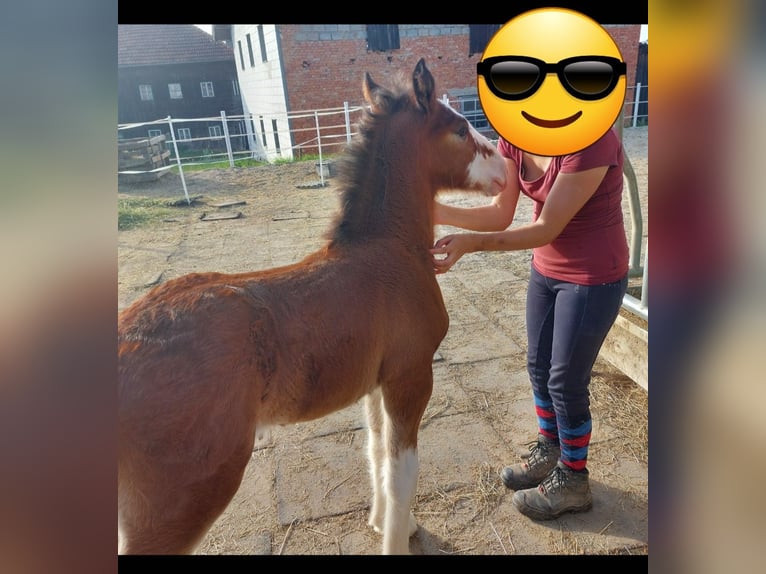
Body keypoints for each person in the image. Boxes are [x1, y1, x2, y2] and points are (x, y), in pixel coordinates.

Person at [430, 127, 629, 520]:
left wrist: (469, 244)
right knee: (538, 367)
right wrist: (434, 210)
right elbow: (500, 215)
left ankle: (574, 479)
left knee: (566, 381)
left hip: (592, 275)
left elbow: (546, 228)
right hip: (546, 269)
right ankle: (550, 450)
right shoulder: (517, 138)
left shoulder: (590, 139)